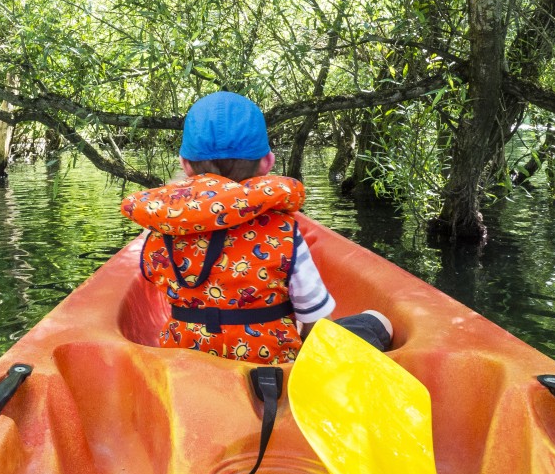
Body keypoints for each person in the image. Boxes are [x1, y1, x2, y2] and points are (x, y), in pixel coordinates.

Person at [120, 91, 392, 365]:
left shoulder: (161, 232)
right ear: (268, 162)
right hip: (272, 368)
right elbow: (316, 326)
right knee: (378, 322)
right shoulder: (283, 230)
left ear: (184, 164)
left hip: (190, 367)